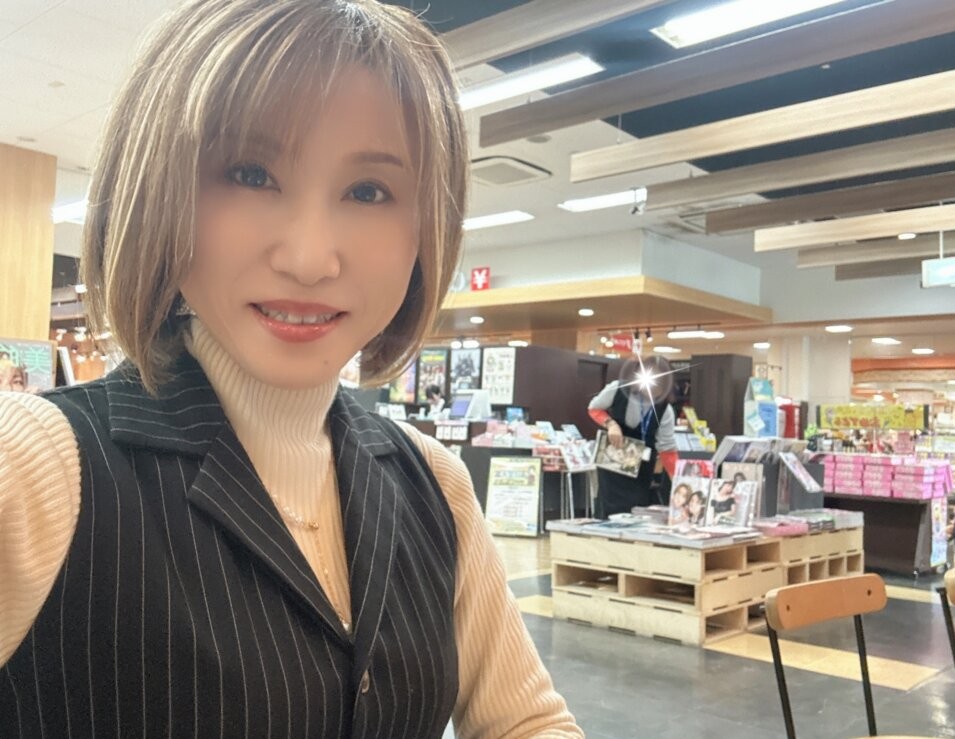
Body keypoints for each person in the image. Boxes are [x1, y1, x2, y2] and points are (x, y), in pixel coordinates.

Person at [0, 2, 582, 737]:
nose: (310, 258)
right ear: (158, 192)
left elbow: (525, 720)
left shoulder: (434, 484)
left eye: (368, 191)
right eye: (250, 173)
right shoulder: (41, 466)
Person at [588, 354, 679, 515]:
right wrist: (611, 424)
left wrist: (678, 481)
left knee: (637, 512)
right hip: (612, 463)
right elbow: (594, 408)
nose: (653, 388)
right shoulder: (618, 389)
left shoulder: (665, 410)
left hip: (641, 471)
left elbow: (667, 449)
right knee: (608, 512)